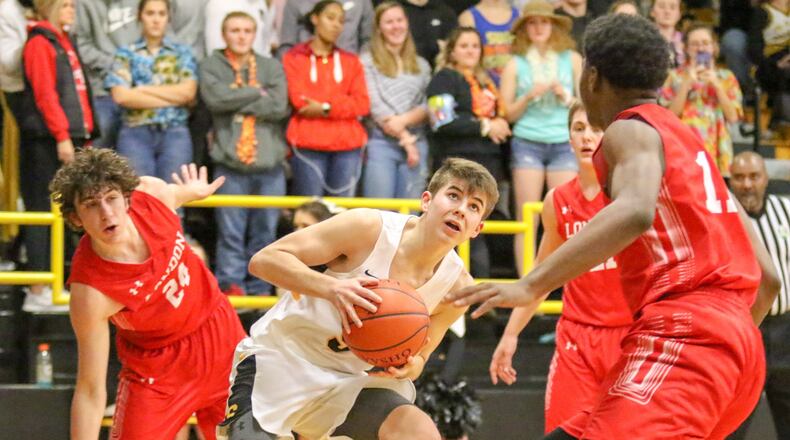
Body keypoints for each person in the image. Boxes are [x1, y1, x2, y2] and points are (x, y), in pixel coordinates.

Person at [446, 14, 780, 439]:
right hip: (738, 347)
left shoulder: (630, 128)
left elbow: (635, 209)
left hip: (686, 336)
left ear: (592, 76)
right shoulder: (694, 146)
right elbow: (767, 278)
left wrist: (529, 285)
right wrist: (726, 345)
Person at [217, 158, 499, 440]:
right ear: (426, 201)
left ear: (477, 228)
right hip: (279, 361)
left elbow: (421, 357)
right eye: (453, 196)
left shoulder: (458, 288)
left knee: (418, 430)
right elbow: (264, 261)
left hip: (347, 383)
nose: (460, 210)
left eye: (474, 206)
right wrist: (330, 288)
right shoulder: (368, 229)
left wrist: (411, 366)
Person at [51, 148, 246, 440]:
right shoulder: (90, 292)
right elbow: (90, 389)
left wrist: (190, 191)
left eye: (111, 198)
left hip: (220, 338)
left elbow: (175, 194)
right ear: (76, 219)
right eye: (91, 204)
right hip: (158, 370)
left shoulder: (152, 194)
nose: (106, 213)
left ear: (127, 199)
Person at [489, 101, 633, 436]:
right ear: (568, 138)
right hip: (577, 340)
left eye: (596, 129)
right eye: (579, 129)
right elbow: (540, 276)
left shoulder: (631, 197)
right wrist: (510, 335)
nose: (587, 137)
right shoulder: (558, 202)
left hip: (629, 337)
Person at [200, 11, 289, 296]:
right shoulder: (212, 64)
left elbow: (279, 106)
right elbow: (215, 100)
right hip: (230, 164)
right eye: (235, 30)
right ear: (224, 34)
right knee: (230, 235)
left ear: (255, 35)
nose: (241, 36)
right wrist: (257, 92)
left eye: (247, 31)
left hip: (269, 166)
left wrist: (236, 100)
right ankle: (231, 290)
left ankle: (260, 290)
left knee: (265, 235)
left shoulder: (270, 66)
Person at [18, 0, 98, 312]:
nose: (71, 8)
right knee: (42, 208)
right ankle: (37, 288)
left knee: (65, 214)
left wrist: (82, 134)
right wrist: (63, 135)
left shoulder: (63, 40)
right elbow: (45, 94)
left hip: (68, 137)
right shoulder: (40, 42)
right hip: (47, 141)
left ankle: (57, 284)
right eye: (64, 4)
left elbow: (75, 93)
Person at [500, 0, 580, 275]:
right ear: (524, 29)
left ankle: (564, 285)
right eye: (532, 23)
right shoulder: (515, 64)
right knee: (527, 217)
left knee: (564, 217)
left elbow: (585, 106)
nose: (538, 28)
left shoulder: (571, 59)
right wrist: (527, 96)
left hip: (563, 142)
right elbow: (507, 113)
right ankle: (526, 283)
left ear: (554, 26)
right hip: (527, 141)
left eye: (544, 22)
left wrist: (565, 95)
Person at [426, 27, 510, 280]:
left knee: (477, 229)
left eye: (475, 46)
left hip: (490, 162)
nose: (471, 51)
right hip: (458, 164)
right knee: (459, 228)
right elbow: (441, 121)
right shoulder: (444, 77)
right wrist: (485, 126)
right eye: (464, 46)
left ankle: (477, 292)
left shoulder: (486, 82)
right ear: (452, 50)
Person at [727, 151, 790, 440]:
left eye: (754, 176)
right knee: (732, 421)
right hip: (743, 333)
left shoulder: (786, 209)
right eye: (739, 178)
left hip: (786, 329)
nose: (747, 184)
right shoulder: (720, 218)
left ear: (766, 179)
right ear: (730, 182)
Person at [283, 0, 370, 197]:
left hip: (348, 146)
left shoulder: (351, 61)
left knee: (342, 215)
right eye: (330, 18)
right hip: (307, 144)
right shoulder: (294, 58)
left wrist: (325, 107)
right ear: (315, 19)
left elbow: (362, 104)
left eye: (341, 20)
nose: (336, 25)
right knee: (312, 213)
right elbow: (300, 102)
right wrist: (341, 105)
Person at [105, 0, 198, 182]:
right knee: (137, 198)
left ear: (168, 18)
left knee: (174, 199)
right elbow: (121, 96)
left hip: (175, 132)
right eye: (150, 13)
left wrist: (143, 89)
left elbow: (188, 93)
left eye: (161, 14)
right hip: (135, 132)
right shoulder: (125, 53)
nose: (156, 20)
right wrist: (174, 97)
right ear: (140, 16)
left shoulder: (182, 53)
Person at [361, 1, 431, 200]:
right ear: (379, 28)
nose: (396, 26)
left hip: (418, 143)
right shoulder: (367, 62)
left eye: (399, 20)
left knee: (410, 216)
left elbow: (428, 105)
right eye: (389, 22)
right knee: (379, 214)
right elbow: (375, 105)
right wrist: (405, 140)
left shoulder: (422, 65)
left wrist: (403, 124)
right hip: (381, 143)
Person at [659, 23, 742, 177]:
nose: (701, 48)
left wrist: (717, 85)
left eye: (705, 43)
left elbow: (733, 117)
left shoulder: (727, 77)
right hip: (683, 147)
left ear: (714, 47)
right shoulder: (674, 76)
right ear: (686, 48)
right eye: (695, 44)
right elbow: (669, 116)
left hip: (717, 148)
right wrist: (685, 84)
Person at [277, 0, 374, 57]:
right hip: (305, 68)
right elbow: (286, 44)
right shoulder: (296, 2)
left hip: (350, 70)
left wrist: (359, 67)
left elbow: (369, 40)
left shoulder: (362, 2)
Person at [749, 0, 789, 130]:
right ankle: (780, 120)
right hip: (769, 65)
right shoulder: (762, 12)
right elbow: (754, 51)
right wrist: (776, 64)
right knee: (785, 73)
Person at [458, 0, 519, 85]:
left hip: (516, 87)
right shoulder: (468, 18)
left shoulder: (519, 16)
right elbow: (467, 59)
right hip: (483, 87)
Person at [204, 0, 278, 57]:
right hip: (228, 72)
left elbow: (265, 47)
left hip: (259, 70)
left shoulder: (265, 3)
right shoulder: (219, 5)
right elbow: (215, 54)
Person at [398, 0, 457, 70]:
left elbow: (453, 47)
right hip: (403, 71)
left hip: (438, 73)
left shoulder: (445, 12)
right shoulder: (394, 11)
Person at [650, 0, 684, 67]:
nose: (667, 11)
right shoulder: (644, 39)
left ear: (679, 14)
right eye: (662, 6)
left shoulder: (686, 40)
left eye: (672, 7)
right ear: (652, 11)